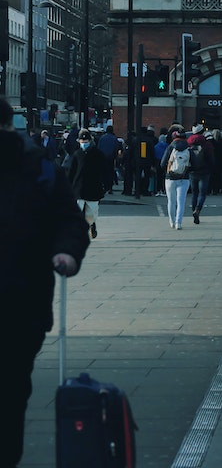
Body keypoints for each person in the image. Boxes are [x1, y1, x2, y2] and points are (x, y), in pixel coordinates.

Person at [0, 96, 89, 467]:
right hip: (26, 298)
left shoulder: (38, 167)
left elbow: (70, 220)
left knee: (10, 388)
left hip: (21, 300)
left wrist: (67, 251)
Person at [67, 128, 109, 240]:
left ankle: (92, 224)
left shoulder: (98, 154)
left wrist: (106, 185)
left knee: (92, 212)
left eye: (85, 142)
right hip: (78, 188)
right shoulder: (77, 154)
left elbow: (104, 171)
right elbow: (71, 172)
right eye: (82, 142)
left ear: (90, 141)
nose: (84, 144)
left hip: (93, 188)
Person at [162, 134, 191, 229]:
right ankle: (179, 223)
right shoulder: (188, 149)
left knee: (171, 201)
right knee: (181, 202)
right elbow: (195, 164)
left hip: (170, 178)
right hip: (184, 178)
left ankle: (172, 221)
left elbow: (162, 163)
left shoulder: (170, 148)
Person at [187, 126, 212, 224]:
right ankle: (197, 210)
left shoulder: (188, 143)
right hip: (204, 172)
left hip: (192, 171)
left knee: (194, 193)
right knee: (202, 193)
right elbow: (211, 158)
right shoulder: (206, 144)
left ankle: (194, 211)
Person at [97, 124, 120, 193]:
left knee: (103, 172)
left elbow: (99, 148)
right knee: (110, 172)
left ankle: (104, 186)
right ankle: (110, 187)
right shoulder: (114, 138)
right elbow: (116, 148)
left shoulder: (102, 138)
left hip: (102, 158)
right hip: (111, 158)